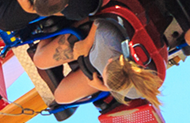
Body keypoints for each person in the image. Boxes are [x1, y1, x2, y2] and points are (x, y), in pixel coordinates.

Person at [31, 14, 164, 107]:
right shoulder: (108, 38)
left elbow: (115, 84)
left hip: (91, 60)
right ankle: (50, 25)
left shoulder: (135, 89)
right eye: (104, 76)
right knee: (40, 60)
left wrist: (102, 86)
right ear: (110, 61)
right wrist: (87, 44)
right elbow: (102, 18)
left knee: (61, 97)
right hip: (92, 37)